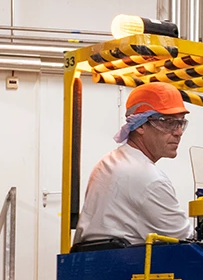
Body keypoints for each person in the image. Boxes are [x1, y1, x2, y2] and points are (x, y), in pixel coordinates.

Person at [74, 81, 193, 247]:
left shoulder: (108, 162)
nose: (178, 132)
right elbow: (187, 241)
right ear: (140, 125)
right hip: (124, 268)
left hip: (95, 265)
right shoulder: (150, 180)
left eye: (181, 123)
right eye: (168, 122)